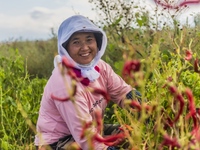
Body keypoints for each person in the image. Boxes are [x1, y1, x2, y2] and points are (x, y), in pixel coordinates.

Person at [34, 15, 141, 150]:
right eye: (76, 42)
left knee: (129, 134)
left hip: (92, 129)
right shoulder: (65, 83)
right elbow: (85, 136)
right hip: (57, 142)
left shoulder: (100, 67)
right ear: (65, 48)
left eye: (89, 40)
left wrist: (146, 109)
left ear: (97, 42)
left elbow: (122, 92)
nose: (85, 47)